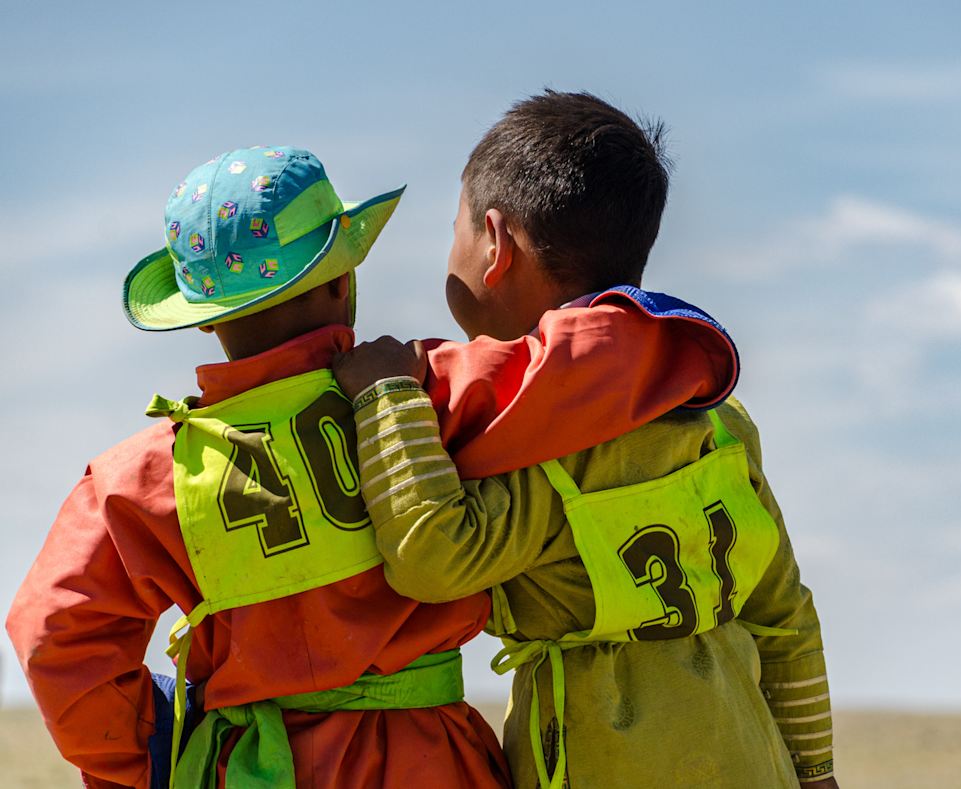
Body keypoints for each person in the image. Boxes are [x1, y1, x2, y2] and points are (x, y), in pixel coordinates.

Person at [7, 144, 741, 788]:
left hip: (253, 767)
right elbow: (583, 362)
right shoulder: (428, 394)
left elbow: (50, 632)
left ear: (202, 316)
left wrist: (157, 753)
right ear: (342, 282)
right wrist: (684, 347)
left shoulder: (139, 479)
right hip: (434, 759)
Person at [332, 92, 839, 788]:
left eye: (454, 227)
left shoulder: (554, 438)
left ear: (495, 244)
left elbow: (433, 556)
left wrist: (385, 398)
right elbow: (786, 621)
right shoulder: (720, 419)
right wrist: (815, 773)